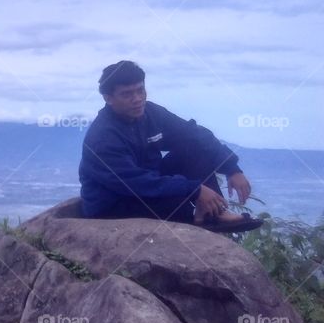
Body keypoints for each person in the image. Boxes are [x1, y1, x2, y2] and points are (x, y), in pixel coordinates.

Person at [78, 60, 263, 233]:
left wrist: (232, 168)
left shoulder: (151, 113)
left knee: (194, 149)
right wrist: (194, 189)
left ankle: (213, 214)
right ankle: (200, 220)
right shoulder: (103, 137)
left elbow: (194, 134)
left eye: (140, 90)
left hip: (149, 187)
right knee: (178, 202)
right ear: (108, 98)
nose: (137, 99)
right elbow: (135, 183)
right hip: (116, 204)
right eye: (127, 94)